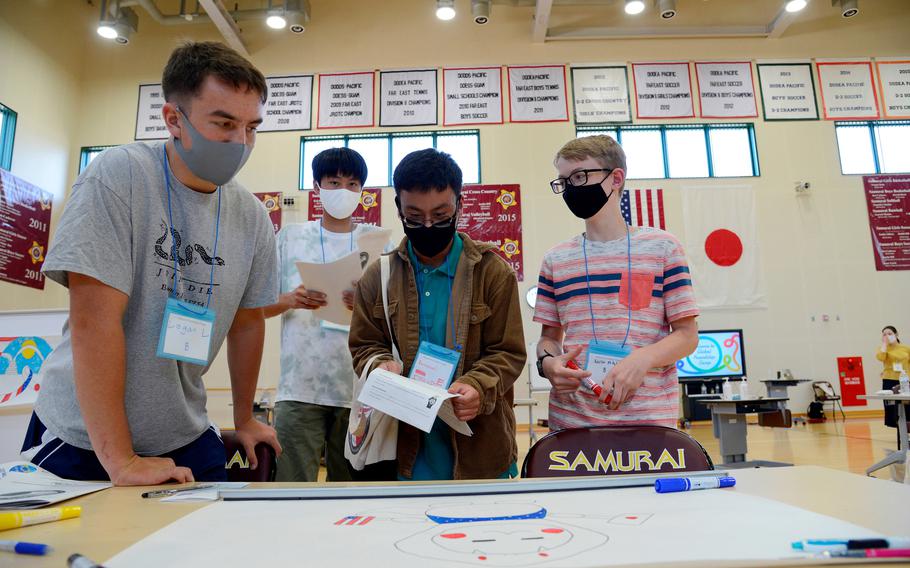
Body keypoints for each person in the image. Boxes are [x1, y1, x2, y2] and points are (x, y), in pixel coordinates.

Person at [21, 42, 281, 486]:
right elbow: (93, 322)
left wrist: (245, 417)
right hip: (86, 438)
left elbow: (247, 321)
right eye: (224, 124)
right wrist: (120, 459)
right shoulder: (118, 175)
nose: (240, 142)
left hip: (184, 431)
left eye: (251, 127)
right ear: (174, 119)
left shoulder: (251, 215)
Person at [349, 149, 526, 480]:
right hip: (404, 453)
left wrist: (478, 386)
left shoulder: (493, 273)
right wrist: (380, 365)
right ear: (399, 208)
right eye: (414, 217)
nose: (428, 225)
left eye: (441, 214)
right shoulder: (378, 276)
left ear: (459, 205)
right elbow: (364, 344)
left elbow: (507, 352)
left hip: (480, 454)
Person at [533, 135, 699, 431]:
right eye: (563, 181)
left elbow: (687, 335)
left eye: (580, 176)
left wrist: (644, 358)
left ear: (616, 178)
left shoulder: (663, 249)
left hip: (648, 420)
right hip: (573, 421)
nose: (571, 188)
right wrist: (548, 364)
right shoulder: (555, 260)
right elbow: (549, 339)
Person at [263, 147, 391, 482]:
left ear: (363, 191)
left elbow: (395, 315)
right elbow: (257, 306)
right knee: (291, 486)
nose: (343, 191)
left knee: (350, 491)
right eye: (334, 182)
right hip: (300, 386)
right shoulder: (290, 238)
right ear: (317, 186)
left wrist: (366, 304)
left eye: (352, 183)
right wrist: (290, 299)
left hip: (358, 387)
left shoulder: (375, 243)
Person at [876, 325, 910, 437]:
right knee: (893, 409)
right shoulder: (882, 349)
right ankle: (901, 437)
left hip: (904, 381)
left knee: (907, 408)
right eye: (884, 334)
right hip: (889, 381)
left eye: (889, 333)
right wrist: (885, 345)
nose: (887, 336)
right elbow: (880, 357)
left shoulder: (905, 348)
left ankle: (907, 434)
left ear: (896, 335)